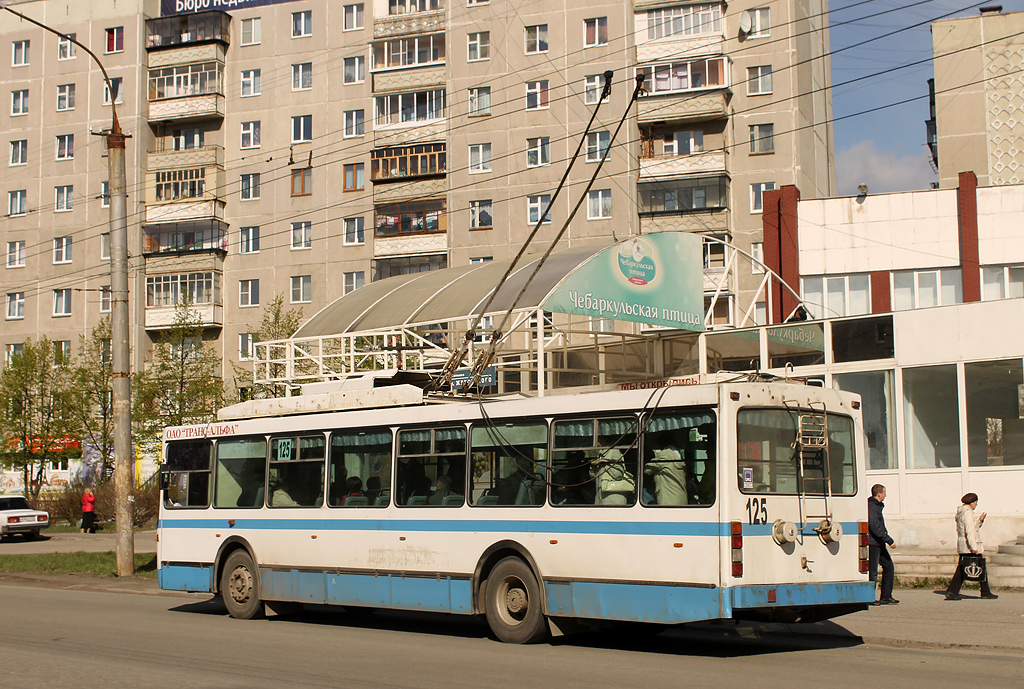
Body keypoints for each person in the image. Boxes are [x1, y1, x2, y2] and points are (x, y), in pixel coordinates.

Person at [945, 492, 999, 601]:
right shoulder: (968, 512)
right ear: (972, 502)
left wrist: (979, 521)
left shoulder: (961, 512)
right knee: (979, 568)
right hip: (969, 546)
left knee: (962, 568)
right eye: (976, 503)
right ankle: (984, 592)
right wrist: (974, 547)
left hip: (963, 544)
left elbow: (971, 528)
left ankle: (953, 591)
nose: (976, 505)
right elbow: (970, 531)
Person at [867, 484, 898, 605]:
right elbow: (875, 527)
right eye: (884, 493)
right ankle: (869, 597)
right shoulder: (872, 506)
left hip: (878, 542)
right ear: (879, 494)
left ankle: (886, 595)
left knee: (889, 566)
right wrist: (889, 540)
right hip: (873, 543)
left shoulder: (877, 506)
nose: (885, 495)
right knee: (872, 571)